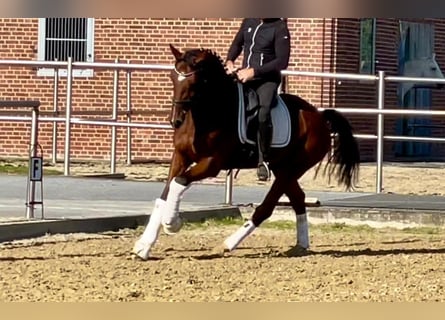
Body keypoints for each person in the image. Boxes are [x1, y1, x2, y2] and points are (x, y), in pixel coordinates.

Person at [225, 18, 291, 181]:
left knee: (263, 111)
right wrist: (230, 61)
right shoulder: (249, 22)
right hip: (244, 75)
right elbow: (237, 44)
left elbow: (282, 61)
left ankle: (264, 160)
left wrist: (255, 72)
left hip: (266, 79)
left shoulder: (279, 28)